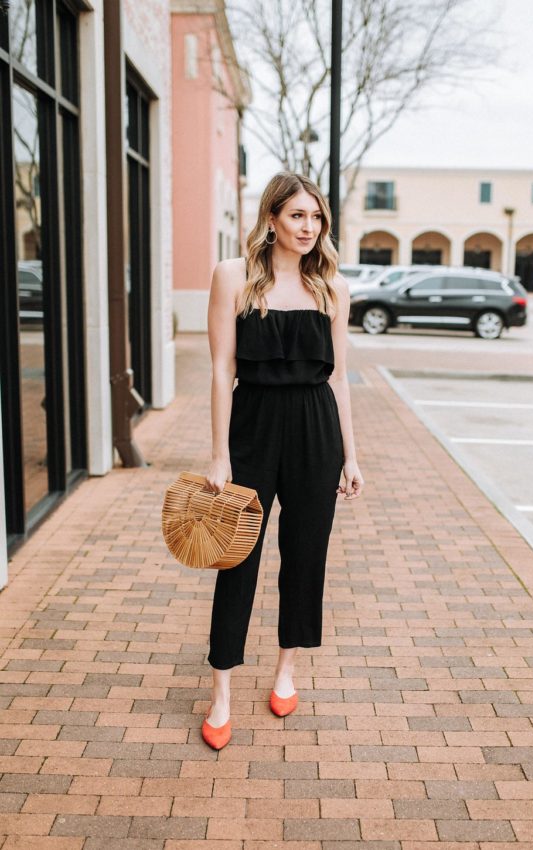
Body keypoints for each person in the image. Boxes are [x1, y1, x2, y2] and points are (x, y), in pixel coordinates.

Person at [202, 171, 364, 750]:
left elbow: (340, 376)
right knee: (236, 557)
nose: (308, 227)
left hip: (316, 427)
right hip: (252, 426)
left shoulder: (332, 288)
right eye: (297, 215)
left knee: (305, 555)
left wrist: (351, 454)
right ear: (271, 218)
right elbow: (222, 369)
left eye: (316, 217)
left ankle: (286, 672)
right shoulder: (234, 277)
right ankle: (221, 693)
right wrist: (219, 454)